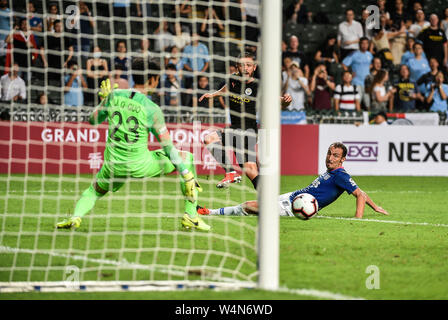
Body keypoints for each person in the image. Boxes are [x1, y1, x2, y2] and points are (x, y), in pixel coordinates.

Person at [56, 59, 209, 231]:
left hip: (113, 165)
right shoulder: (152, 109)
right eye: (157, 79)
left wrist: (103, 100)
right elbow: (168, 147)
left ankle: (76, 217)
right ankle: (191, 216)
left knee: (94, 191)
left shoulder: (114, 96)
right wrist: (186, 173)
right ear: (152, 80)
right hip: (140, 165)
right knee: (186, 158)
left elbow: (92, 120)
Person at [197, 142, 389, 219]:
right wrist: (376, 207)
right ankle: (210, 211)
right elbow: (361, 192)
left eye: (335, 155)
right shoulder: (333, 173)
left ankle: (210, 212)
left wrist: (358, 219)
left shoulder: (340, 174)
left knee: (249, 206)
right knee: (251, 205)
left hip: (293, 207)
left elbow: (359, 195)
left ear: (342, 159)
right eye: (329, 153)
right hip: (292, 197)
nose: (330, 158)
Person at [198, 51, 291, 189]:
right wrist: (212, 95)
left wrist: (286, 102)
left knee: (210, 138)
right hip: (235, 128)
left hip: (248, 132)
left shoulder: (259, 86)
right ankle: (270, 201)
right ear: (237, 67)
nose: (245, 68)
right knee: (250, 170)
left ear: (254, 68)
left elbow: (279, 102)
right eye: (242, 65)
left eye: (249, 65)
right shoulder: (233, 80)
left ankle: (230, 173)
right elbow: (225, 90)